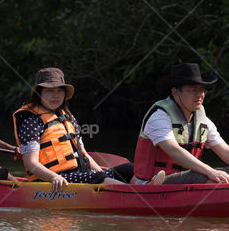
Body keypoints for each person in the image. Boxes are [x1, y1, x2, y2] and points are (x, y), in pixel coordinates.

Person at [133, 63, 229, 185]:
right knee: (210, 177)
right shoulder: (159, 117)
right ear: (175, 92)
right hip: (154, 183)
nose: (199, 95)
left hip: (187, 179)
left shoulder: (203, 121)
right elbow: (174, 151)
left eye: (201, 90)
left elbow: (225, 150)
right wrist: (210, 171)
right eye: (192, 90)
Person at [13, 68, 142, 191]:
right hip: (48, 180)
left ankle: (149, 188)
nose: (55, 95)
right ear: (38, 93)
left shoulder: (67, 116)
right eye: (49, 91)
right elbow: (31, 163)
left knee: (129, 169)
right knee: (96, 177)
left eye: (59, 91)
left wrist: (103, 174)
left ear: (64, 94)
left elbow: (83, 153)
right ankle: (137, 196)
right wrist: (54, 177)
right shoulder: (30, 121)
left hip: (80, 173)